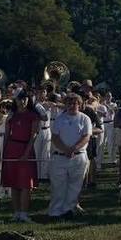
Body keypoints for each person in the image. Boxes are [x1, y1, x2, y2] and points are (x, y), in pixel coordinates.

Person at [47, 92, 92, 220]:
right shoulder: (60, 119)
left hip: (78, 156)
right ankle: (55, 212)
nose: (72, 105)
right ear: (65, 105)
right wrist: (65, 149)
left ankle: (68, 210)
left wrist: (74, 148)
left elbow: (86, 136)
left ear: (80, 104)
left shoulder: (85, 119)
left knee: (75, 185)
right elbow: (55, 137)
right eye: (69, 103)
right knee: (58, 185)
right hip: (60, 156)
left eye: (75, 103)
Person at [1, 92, 39, 223]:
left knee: (26, 183)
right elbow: (6, 134)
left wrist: (26, 153)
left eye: (24, 99)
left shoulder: (32, 115)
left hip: (25, 148)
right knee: (13, 182)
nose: (22, 101)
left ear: (28, 100)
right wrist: (3, 152)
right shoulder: (12, 115)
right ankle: (16, 213)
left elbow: (33, 135)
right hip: (12, 148)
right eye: (19, 99)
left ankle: (24, 213)